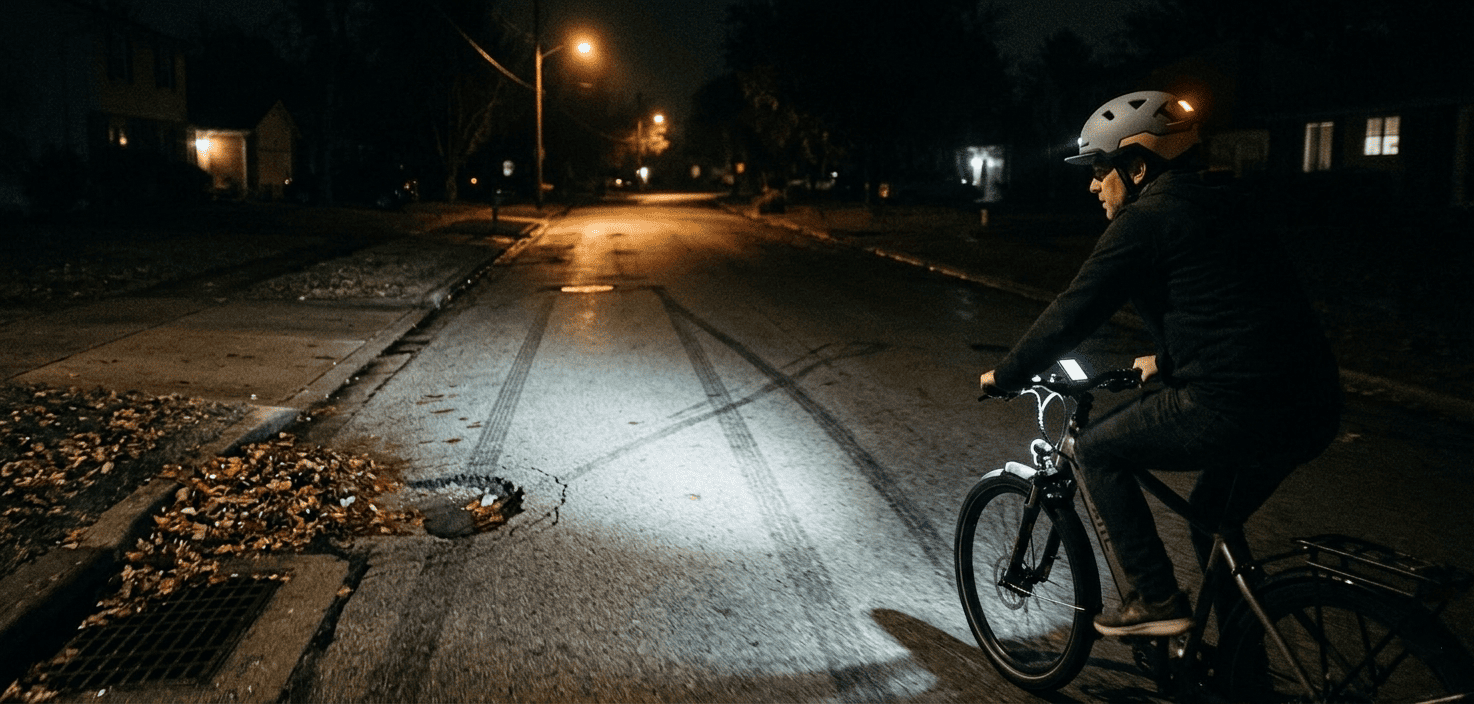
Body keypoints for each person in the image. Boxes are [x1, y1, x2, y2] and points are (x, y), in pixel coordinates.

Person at [978, 90, 1342, 637]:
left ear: (1138, 166)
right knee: (1215, 521)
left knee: (1097, 450)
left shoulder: (1144, 221)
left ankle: (1157, 598)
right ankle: (1246, 678)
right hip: (1312, 400)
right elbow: (1239, 307)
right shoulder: (1227, 203)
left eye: (1101, 170)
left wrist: (1004, 375)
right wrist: (1168, 360)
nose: (1093, 185)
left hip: (1233, 403)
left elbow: (1074, 311)